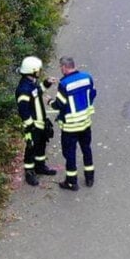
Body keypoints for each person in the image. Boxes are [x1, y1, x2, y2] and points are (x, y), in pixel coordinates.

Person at [49, 56, 96, 191]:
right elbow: (92, 94)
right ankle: (89, 177)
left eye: (60, 67)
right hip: (85, 123)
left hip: (70, 126)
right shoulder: (87, 77)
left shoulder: (64, 84)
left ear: (64, 67)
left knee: (70, 154)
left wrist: (49, 101)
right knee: (86, 149)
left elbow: (59, 105)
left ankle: (71, 182)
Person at [15, 56, 57, 186]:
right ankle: (29, 172)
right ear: (32, 71)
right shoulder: (23, 89)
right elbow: (23, 110)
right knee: (31, 148)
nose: (40, 71)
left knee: (41, 146)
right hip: (33, 126)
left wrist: (46, 83)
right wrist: (30, 126)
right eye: (38, 70)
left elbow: (37, 92)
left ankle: (40, 166)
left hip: (40, 123)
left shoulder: (30, 83)